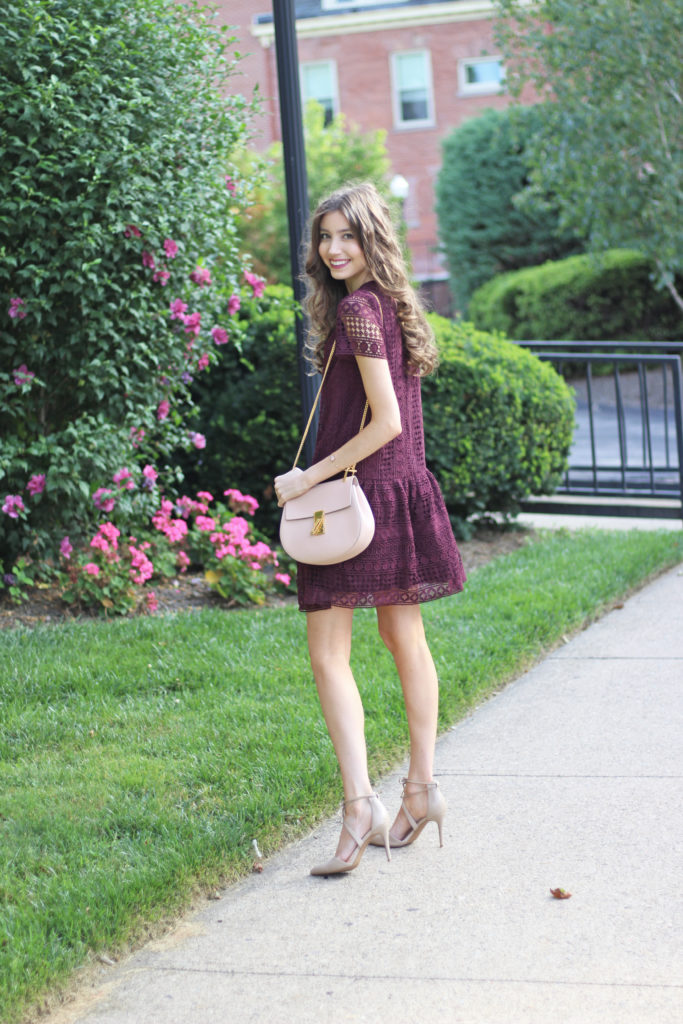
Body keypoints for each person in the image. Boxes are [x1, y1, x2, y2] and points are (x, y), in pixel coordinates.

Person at [274, 182, 466, 877]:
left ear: (369, 238)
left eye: (345, 236)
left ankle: (360, 804)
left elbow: (383, 420)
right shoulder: (390, 304)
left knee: (329, 653)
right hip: (397, 491)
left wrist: (306, 478)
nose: (331, 249)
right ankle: (420, 790)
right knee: (402, 638)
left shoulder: (357, 309)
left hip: (353, 500)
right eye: (324, 237)